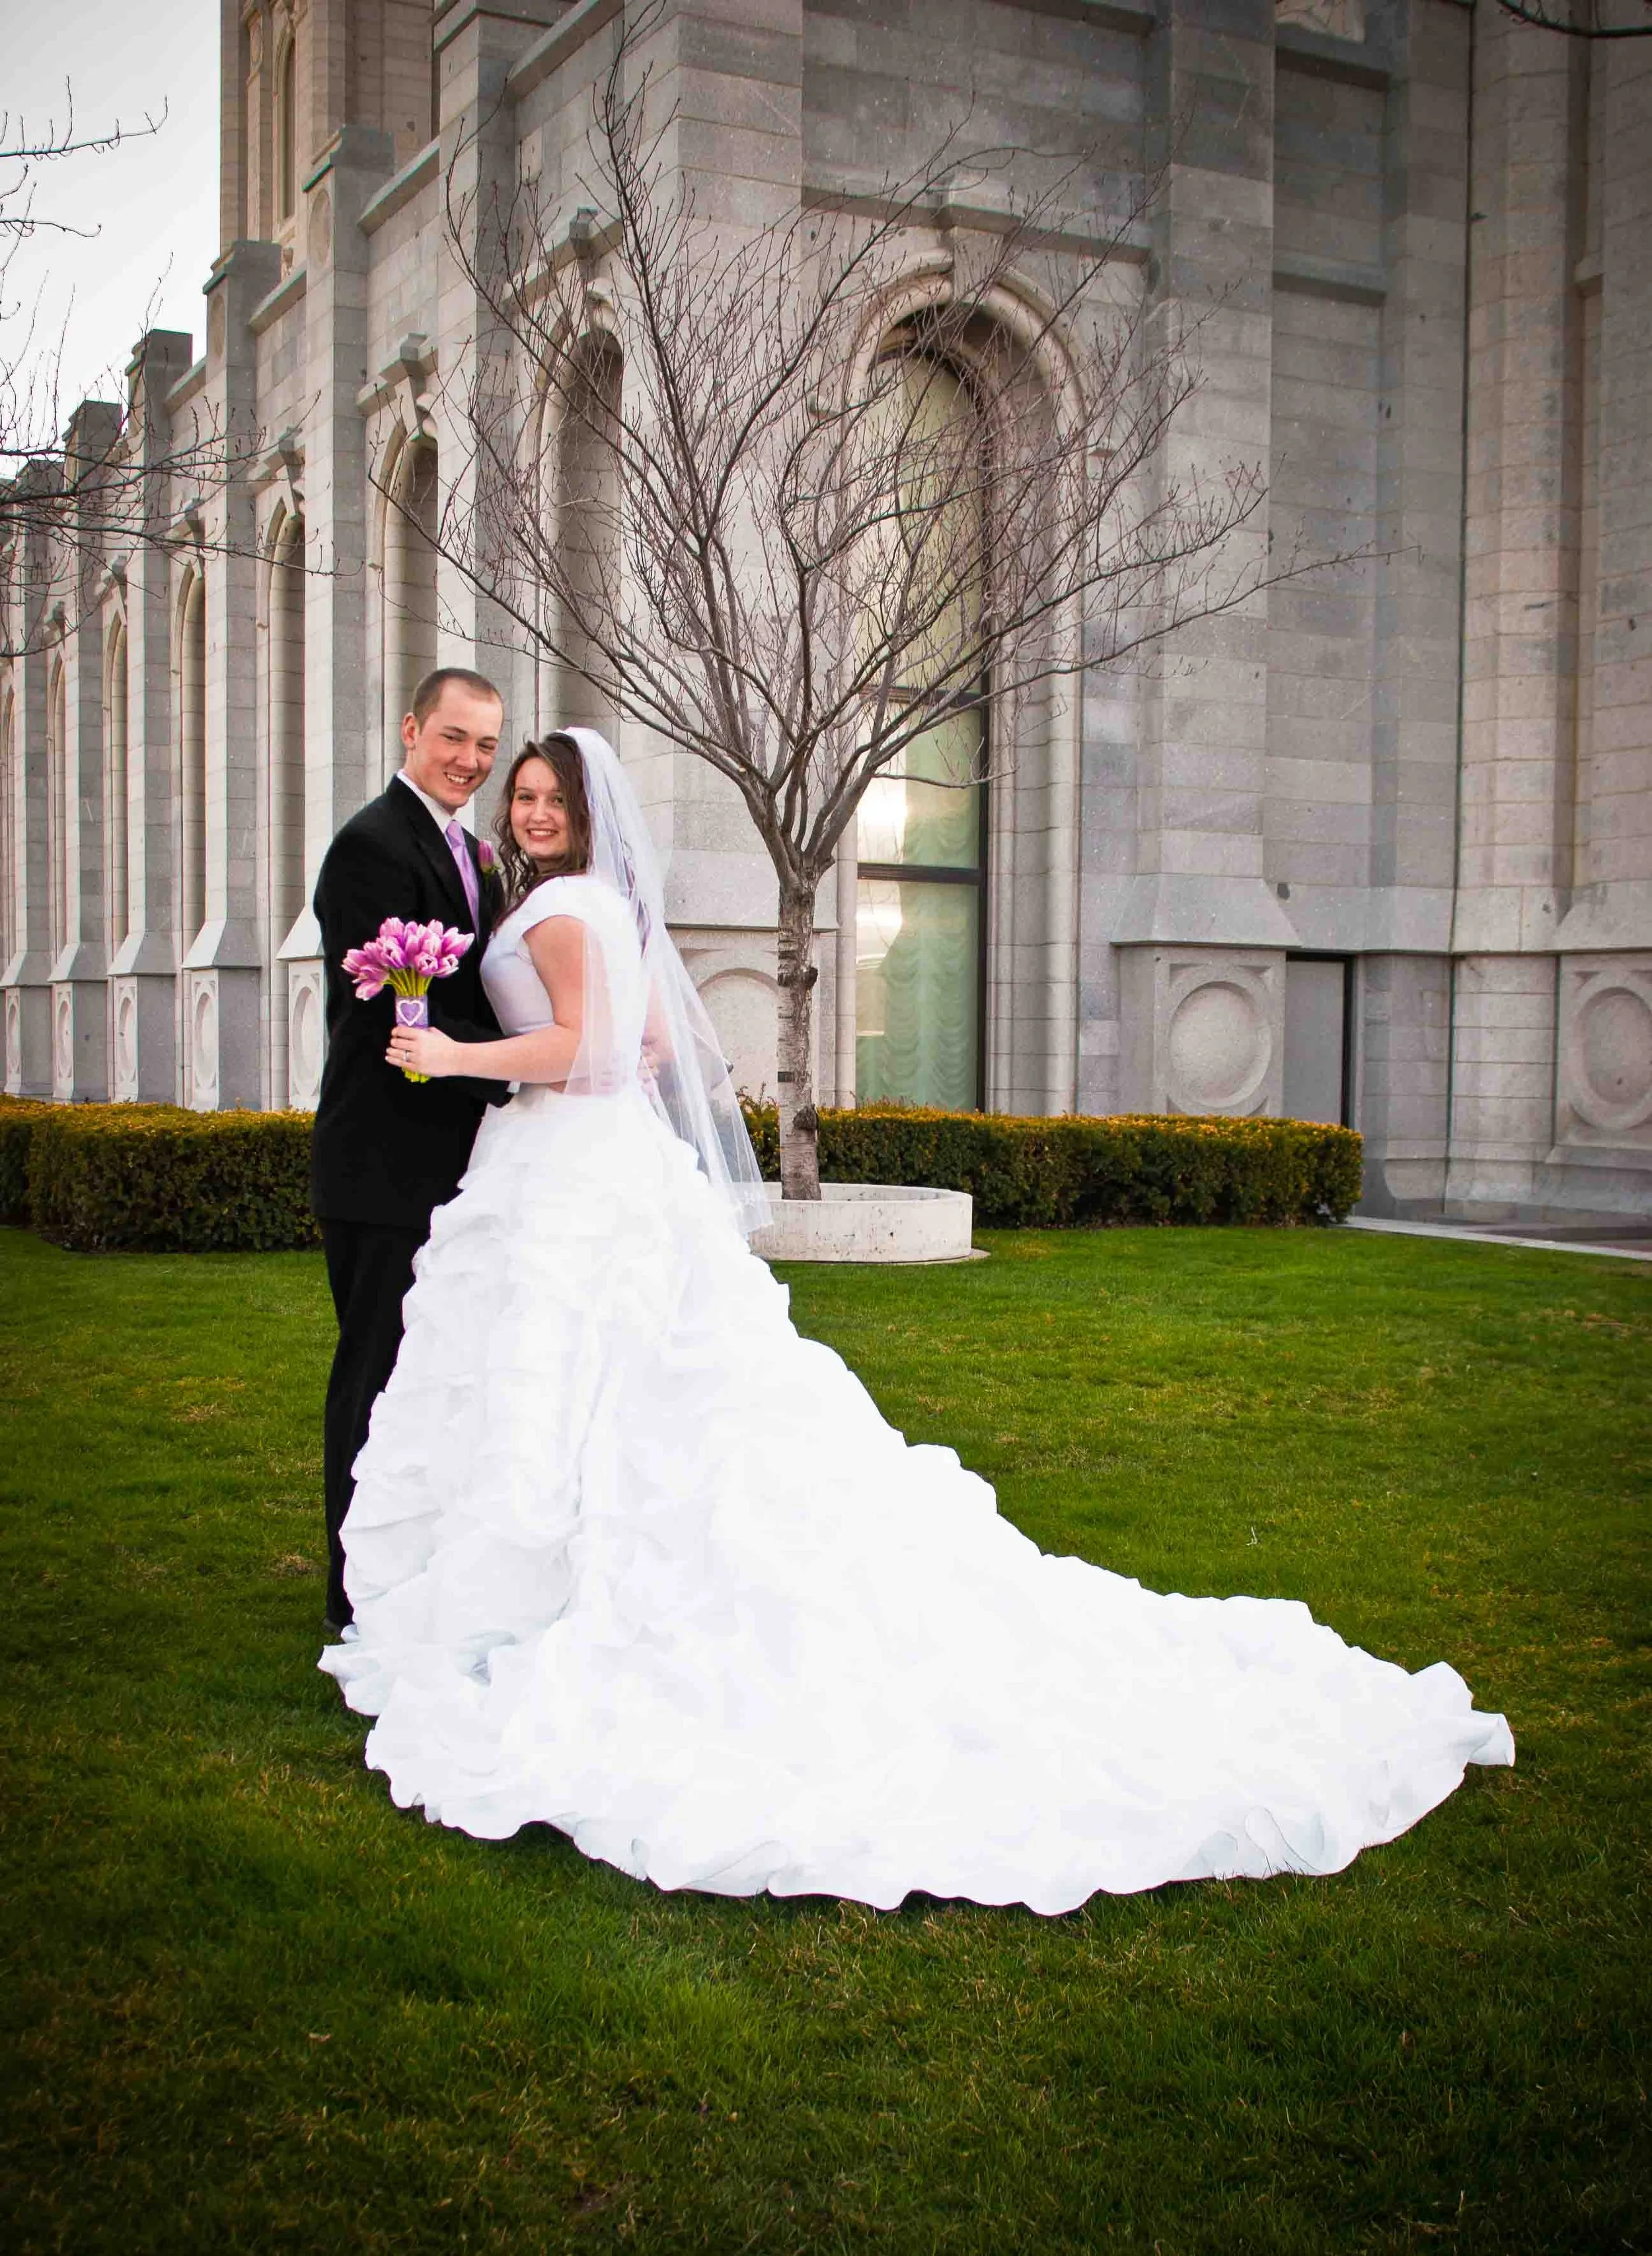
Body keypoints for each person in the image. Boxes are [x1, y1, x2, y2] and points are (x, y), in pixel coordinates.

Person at [319, 727, 1513, 1914]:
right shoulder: (606, 905)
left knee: (570, 1381)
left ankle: (537, 1595)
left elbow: (585, 1052)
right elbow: (652, 1046)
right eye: (520, 797)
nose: (529, 812)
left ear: (585, 812)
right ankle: (551, 1577)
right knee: (607, 1385)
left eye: (547, 797)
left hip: (573, 1170)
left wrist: (458, 1049)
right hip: (600, 1169)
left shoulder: (569, 909)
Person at [311, 667, 511, 1633]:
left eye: (485, 745)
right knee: (373, 1376)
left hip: (459, 1161)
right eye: (454, 738)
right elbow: (405, 1018)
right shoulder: (369, 847)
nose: (470, 760)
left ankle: (416, 1568)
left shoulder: (476, 853)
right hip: (383, 1162)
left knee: (433, 1377)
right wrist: (530, 1067)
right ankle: (353, 1589)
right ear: (410, 729)